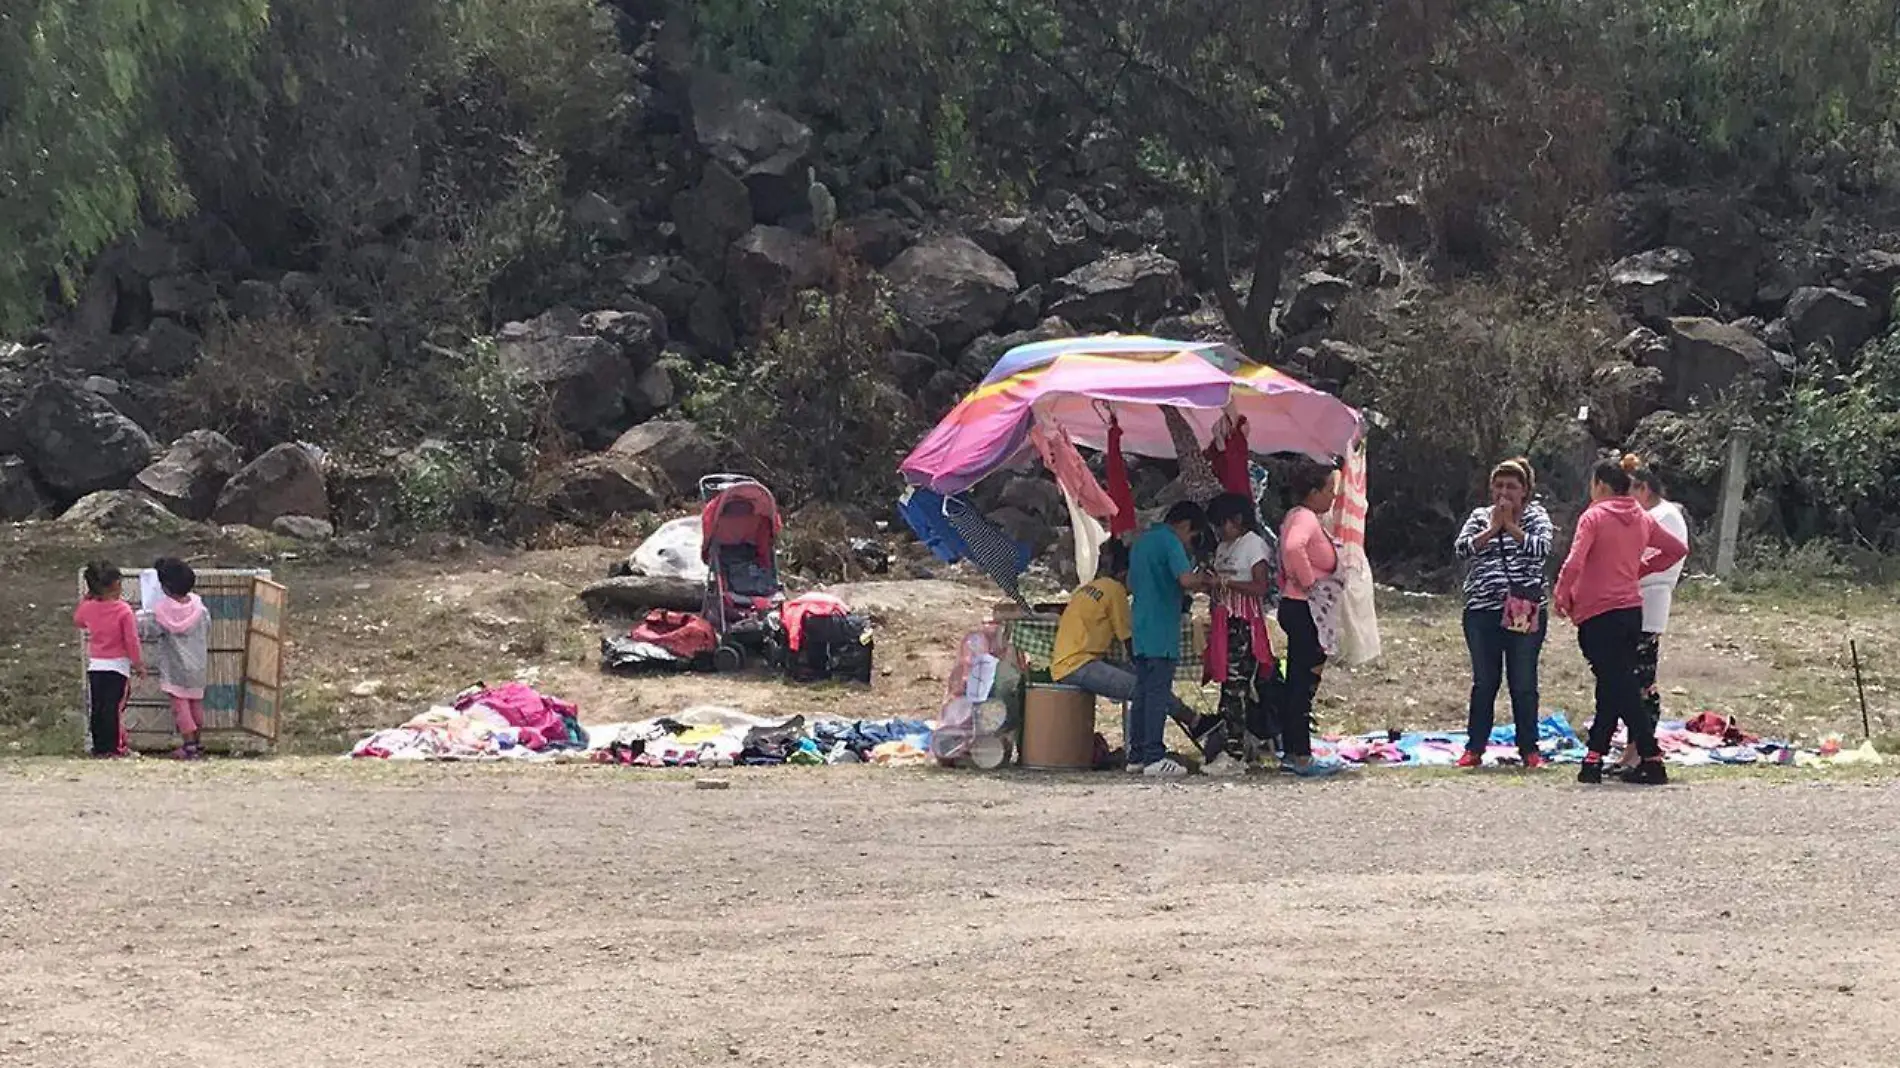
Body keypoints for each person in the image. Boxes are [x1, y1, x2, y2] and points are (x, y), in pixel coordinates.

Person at [1553, 456, 1689, 785]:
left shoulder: (1595, 516)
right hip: (1631, 610)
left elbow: (1575, 560)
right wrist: (1639, 570)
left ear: (1600, 484)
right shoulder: (1641, 519)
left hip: (1599, 613)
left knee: (1620, 685)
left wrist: (1561, 593)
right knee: (1613, 685)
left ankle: (1651, 755)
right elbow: (1676, 549)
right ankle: (1593, 759)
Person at [1452, 458, 1555, 769]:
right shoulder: (1480, 516)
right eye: (1499, 485)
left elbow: (1542, 549)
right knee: (1485, 682)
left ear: (1525, 491)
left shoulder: (1536, 517)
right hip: (1482, 612)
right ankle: (1474, 748)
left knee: (1523, 682)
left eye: (1512, 486)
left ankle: (1529, 749)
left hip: (1524, 611)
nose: (1504, 492)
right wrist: (1492, 529)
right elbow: (1462, 549)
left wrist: (1510, 527)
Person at [1050, 540, 1200, 735]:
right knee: (1145, 689)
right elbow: (1130, 641)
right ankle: (1153, 741)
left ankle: (1189, 717)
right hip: (1078, 665)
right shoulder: (1116, 592)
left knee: (1147, 684)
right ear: (1125, 574)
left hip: (1078, 660)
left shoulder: (1095, 586)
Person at [1126, 501, 1212, 777]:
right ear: (1185, 525)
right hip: (1161, 627)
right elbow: (1186, 580)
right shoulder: (1171, 542)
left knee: (1141, 692)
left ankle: (1136, 754)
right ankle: (1154, 756)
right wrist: (1208, 580)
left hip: (1140, 624)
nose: (1189, 543)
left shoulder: (1142, 542)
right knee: (1157, 694)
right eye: (1192, 536)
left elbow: (1130, 582)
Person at [1616, 462, 1690, 774]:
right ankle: (1632, 747)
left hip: (1650, 601)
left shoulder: (1665, 517)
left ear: (1643, 489)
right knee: (1630, 678)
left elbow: (1648, 559)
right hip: (1636, 601)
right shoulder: (1654, 517)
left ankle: (1642, 749)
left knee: (1643, 680)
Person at [1199, 492, 1278, 777]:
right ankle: (1230, 747)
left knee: (1237, 687)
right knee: (1225, 685)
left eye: (1224, 525)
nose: (1221, 531)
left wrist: (1227, 582)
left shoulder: (1254, 546)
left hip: (1244, 622)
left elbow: (1260, 587)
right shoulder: (1223, 547)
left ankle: (1235, 754)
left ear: (1239, 520)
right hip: (1223, 621)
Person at [1276, 463, 1345, 777]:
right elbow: (1293, 548)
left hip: (1298, 606)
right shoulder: (1304, 518)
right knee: (1301, 683)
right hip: (1304, 607)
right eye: (1329, 489)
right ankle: (1300, 754)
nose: (1333, 496)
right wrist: (1309, 582)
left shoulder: (1298, 517)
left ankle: (1294, 748)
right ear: (1314, 492)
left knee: (1299, 680)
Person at [73, 561, 142, 758]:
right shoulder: (123, 610)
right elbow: (131, 640)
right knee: (114, 709)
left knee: (98, 707)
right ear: (117, 584)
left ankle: (100, 746)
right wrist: (138, 664)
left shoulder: (89, 608)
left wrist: (88, 597)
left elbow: (78, 620)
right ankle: (115, 747)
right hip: (118, 666)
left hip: (96, 665)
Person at [144, 557, 211, 761]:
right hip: (198, 666)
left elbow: (151, 630)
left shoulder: (162, 611)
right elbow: (207, 628)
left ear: (164, 587)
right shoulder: (201, 610)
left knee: (180, 707)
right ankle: (198, 743)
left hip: (175, 668)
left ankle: (189, 746)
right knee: (196, 704)